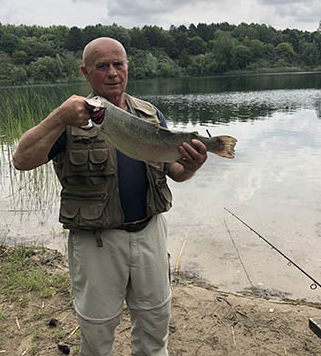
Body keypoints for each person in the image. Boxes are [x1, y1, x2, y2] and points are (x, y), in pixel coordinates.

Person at [13, 37, 207, 356]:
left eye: (119, 64)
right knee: (97, 331)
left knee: (155, 323)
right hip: (97, 242)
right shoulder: (71, 117)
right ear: (86, 73)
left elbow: (176, 171)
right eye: (102, 66)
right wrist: (59, 118)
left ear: (128, 67)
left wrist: (192, 166)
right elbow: (21, 160)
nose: (113, 72)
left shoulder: (150, 113)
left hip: (150, 234)